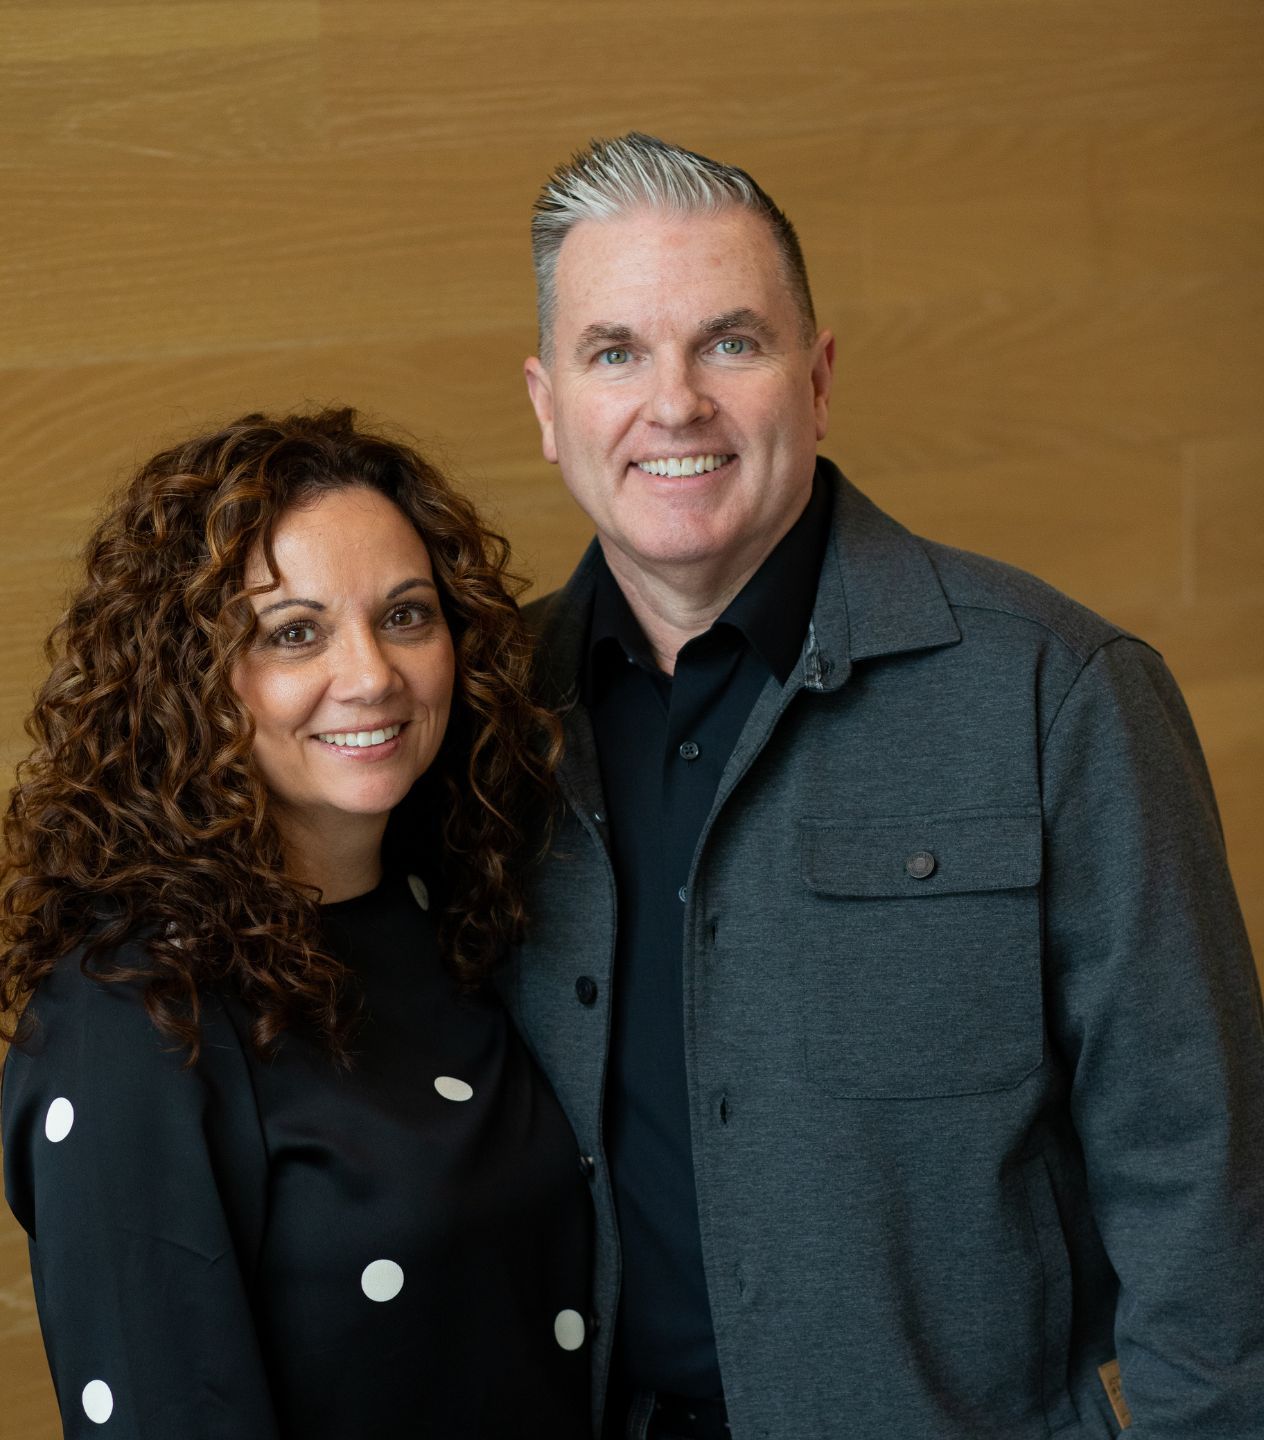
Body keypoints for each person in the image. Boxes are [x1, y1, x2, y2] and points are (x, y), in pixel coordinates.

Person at [508, 132, 1264, 1440]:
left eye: (729, 343)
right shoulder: (486, 721)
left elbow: (1201, 1170)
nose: (674, 403)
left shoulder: (1057, 692)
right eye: (614, 352)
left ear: (818, 378)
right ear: (547, 404)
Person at [1, 409, 593, 1439]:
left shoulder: (460, 909)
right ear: (184, 678)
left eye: (406, 615)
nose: (371, 675)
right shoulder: (133, 1016)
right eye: (293, 633)